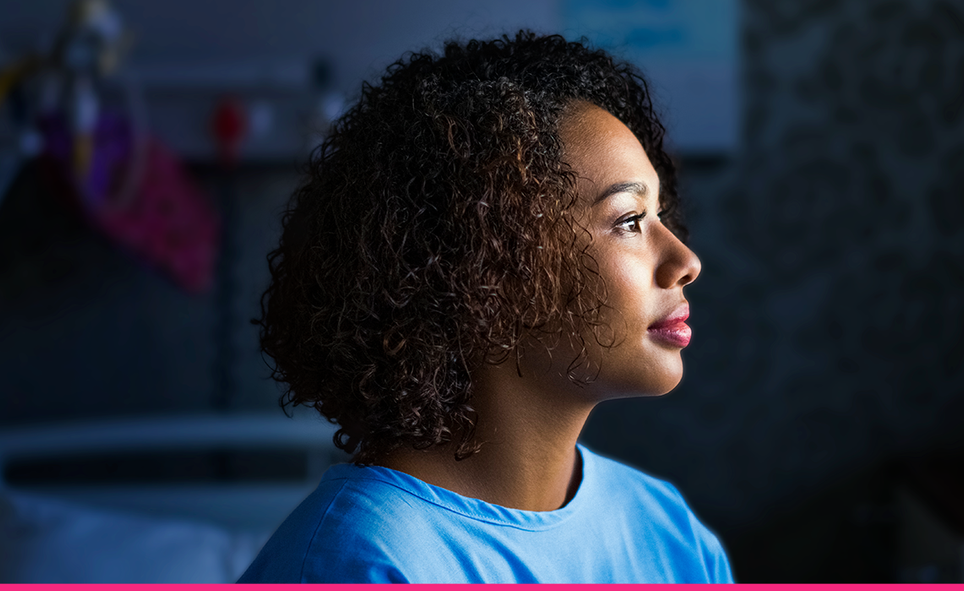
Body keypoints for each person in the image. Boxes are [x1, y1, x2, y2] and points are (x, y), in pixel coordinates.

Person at [238, 31, 732, 583]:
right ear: (486, 266)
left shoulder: (666, 531)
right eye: (629, 221)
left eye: (659, 215)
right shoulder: (362, 563)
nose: (686, 261)